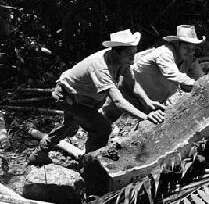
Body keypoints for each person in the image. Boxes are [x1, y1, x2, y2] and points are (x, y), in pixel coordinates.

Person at [28, 29, 165, 165]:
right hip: (68, 97)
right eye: (129, 55)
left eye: (134, 53)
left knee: (69, 127)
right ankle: (89, 165)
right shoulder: (101, 67)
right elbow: (118, 101)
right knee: (102, 129)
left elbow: (132, 84)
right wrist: (144, 117)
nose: (132, 58)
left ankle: (40, 154)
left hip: (82, 98)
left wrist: (148, 102)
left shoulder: (121, 61)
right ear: (116, 52)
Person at [100, 25, 207, 122]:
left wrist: (204, 85)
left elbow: (201, 80)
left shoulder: (190, 60)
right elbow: (172, 74)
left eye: (193, 49)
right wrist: (197, 85)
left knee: (150, 122)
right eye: (187, 48)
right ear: (176, 44)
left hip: (152, 100)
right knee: (107, 116)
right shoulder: (164, 53)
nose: (191, 52)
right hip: (129, 90)